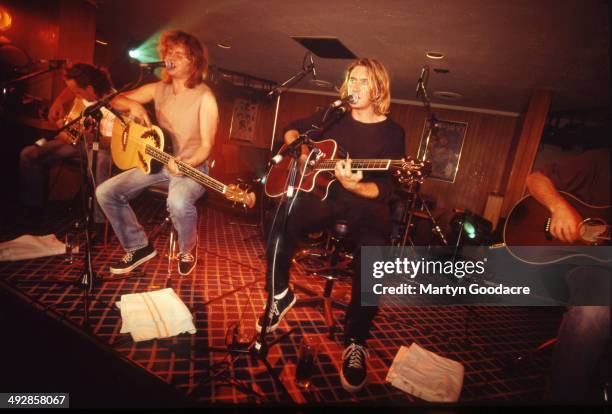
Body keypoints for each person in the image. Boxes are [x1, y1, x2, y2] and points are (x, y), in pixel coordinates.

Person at [258, 58, 405, 393]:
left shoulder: (392, 133)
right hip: (323, 194)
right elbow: (292, 130)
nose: (354, 86)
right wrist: (303, 151)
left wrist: (356, 186)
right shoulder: (331, 116)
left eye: (363, 81)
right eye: (351, 79)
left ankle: (356, 339)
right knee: (282, 216)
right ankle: (280, 294)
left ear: (378, 88)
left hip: (365, 205)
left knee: (375, 254)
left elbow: (386, 189)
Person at [96, 30, 218, 276]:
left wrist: (188, 162)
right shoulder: (158, 88)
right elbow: (114, 100)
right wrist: (132, 104)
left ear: (193, 62)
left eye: (179, 54)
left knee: (177, 201)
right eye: (169, 52)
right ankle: (138, 246)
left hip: (191, 167)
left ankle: (188, 249)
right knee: (105, 192)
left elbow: (206, 146)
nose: (170, 57)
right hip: (156, 162)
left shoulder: (205, 97)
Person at [525, 147, 610, 402]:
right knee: (596, 307)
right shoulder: (602, 160)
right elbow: (534, 179)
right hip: (575, 265)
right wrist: (559, 206)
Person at [19, 63, 115, 224]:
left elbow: (112, 143)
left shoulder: (114, 101)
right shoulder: (81, 92)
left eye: (77, 91)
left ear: (90, 88)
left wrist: (89, 137)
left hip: (101, 146)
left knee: (99, 161)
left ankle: (99, 220)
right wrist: (59, 103)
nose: (75, 94)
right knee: (29, 154)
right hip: (76, 142)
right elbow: (70, 89)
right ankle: (33, 209)